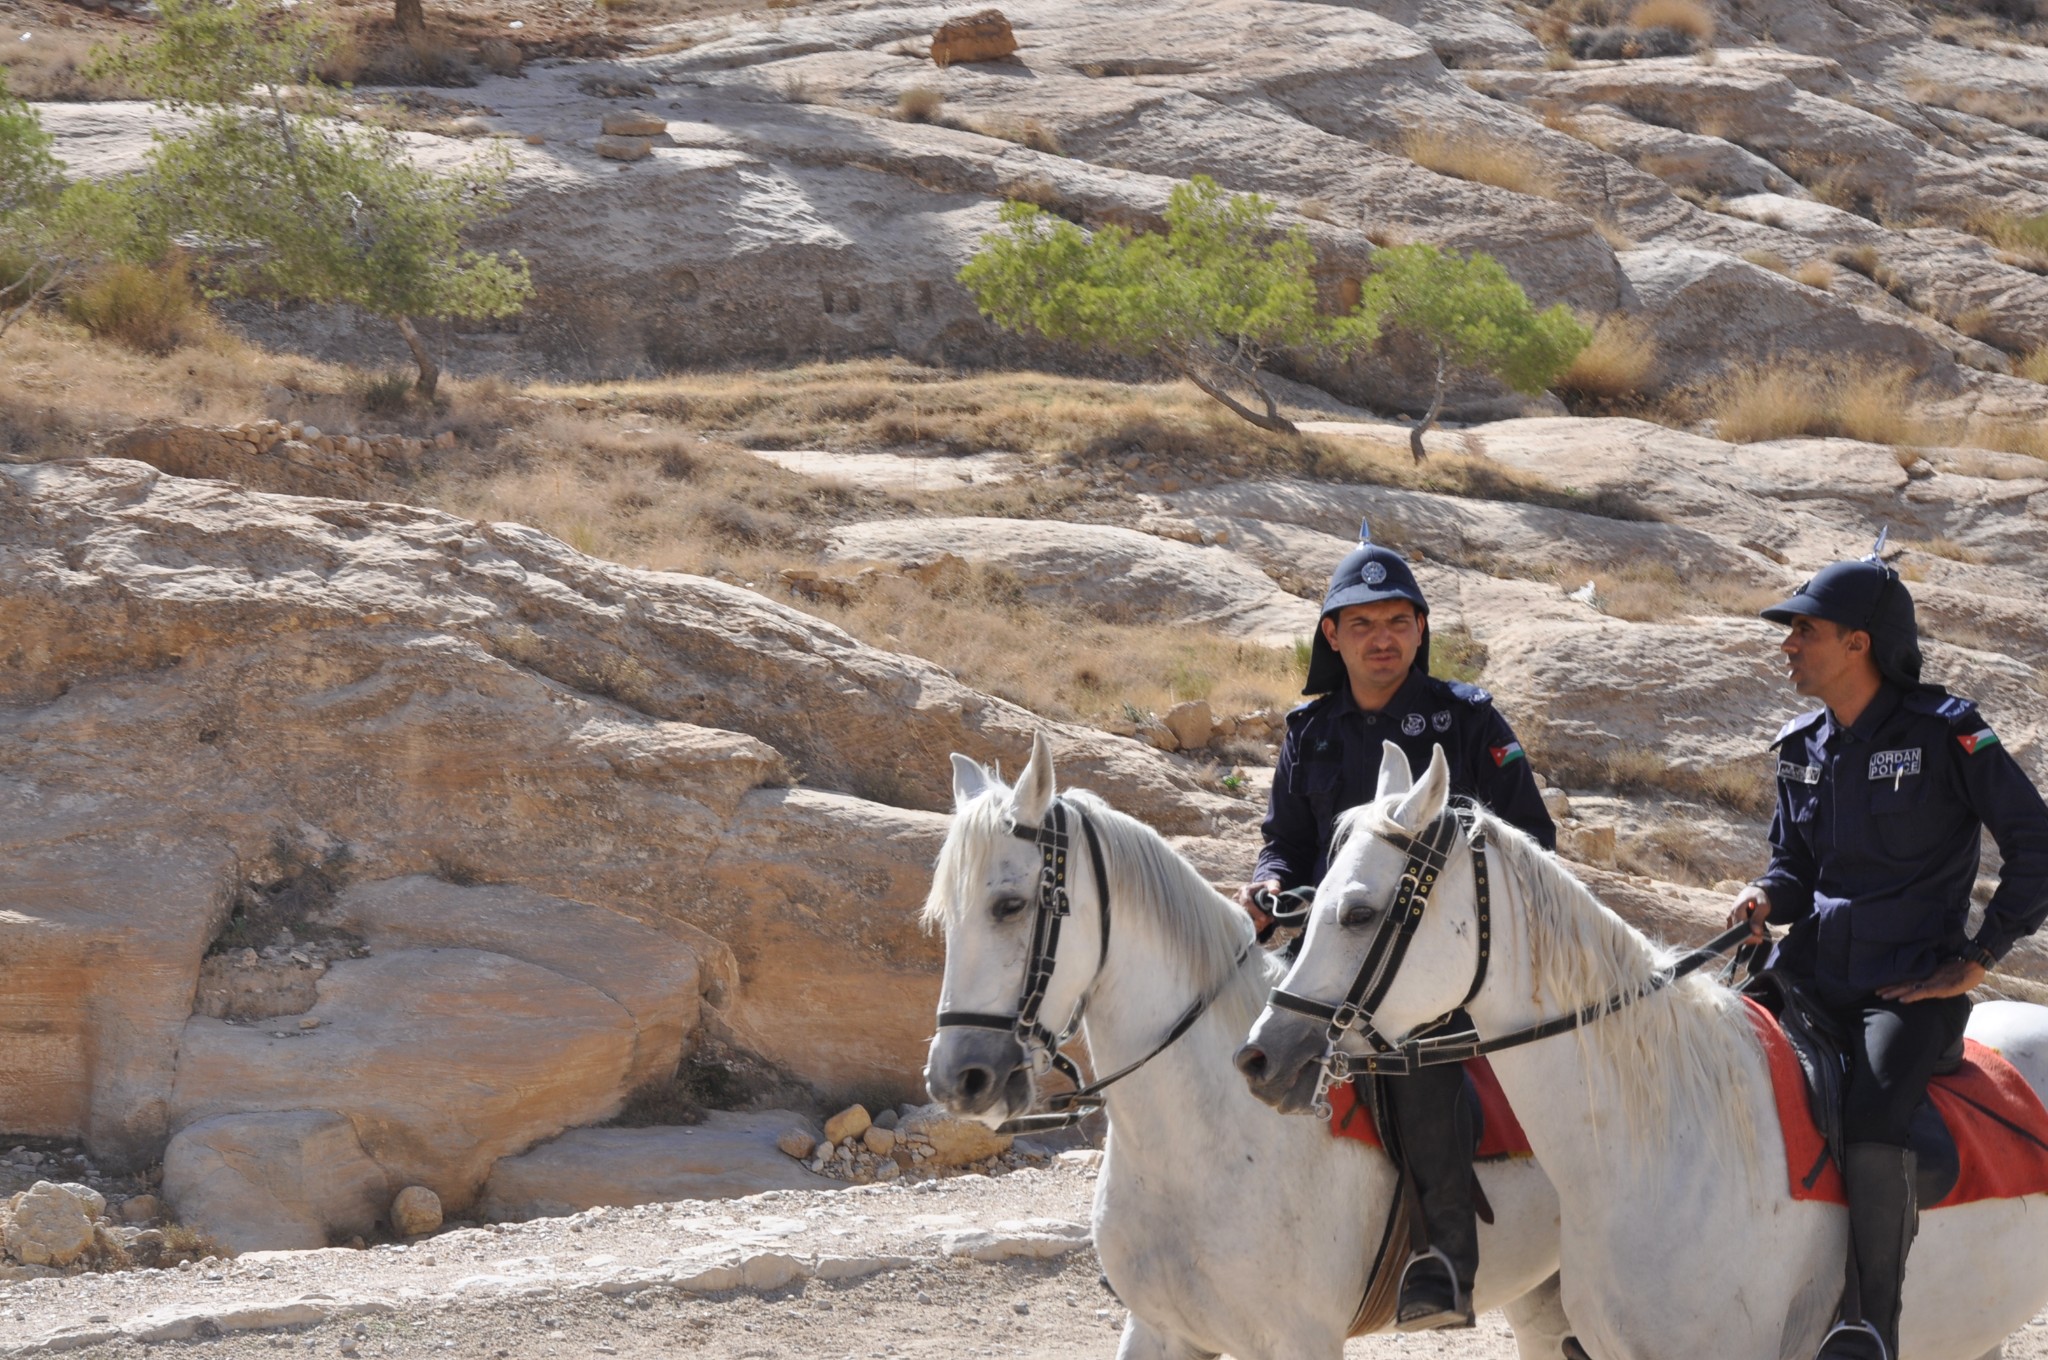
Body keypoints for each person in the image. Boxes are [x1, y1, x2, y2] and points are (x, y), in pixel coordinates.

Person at [1728, 555, 2048, 1360]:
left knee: (1873, 1111)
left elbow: (2036, 843)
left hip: (1905, 989)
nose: (1789, 645)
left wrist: (1981, 954)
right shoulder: (1801, 744)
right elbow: (1795, 872)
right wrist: (1766, 900)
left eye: (1806, 630)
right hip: (1806, 977)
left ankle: (1869, 1321)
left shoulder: (1949, 733)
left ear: (1859, 643)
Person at [1239, 527, 1555, 1331]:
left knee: (1415, 1056)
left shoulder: (1469, 717)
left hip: (1443, 966)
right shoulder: (1307, 732)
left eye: (1398, 623)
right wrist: (1272, 880)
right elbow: (1285, 838)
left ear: (1420, 629)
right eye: (1363, 625)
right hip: (1332, 946)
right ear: (1332, 637)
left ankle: (1444, 1260)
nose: (1384, 640)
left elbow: (1534, 843)